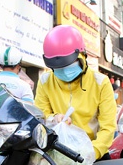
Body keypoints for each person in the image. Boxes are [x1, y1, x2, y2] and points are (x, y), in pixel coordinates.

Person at [34, 25, 117, 161]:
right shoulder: (45, 81)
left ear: (82, 56)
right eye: (59, 68)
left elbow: (108, 128)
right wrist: (53, 118)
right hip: (59, 152)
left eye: (69, 65)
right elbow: (40, 116)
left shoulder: (101, 82)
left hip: (93, 152)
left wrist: (91, 153)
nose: (65, 71)